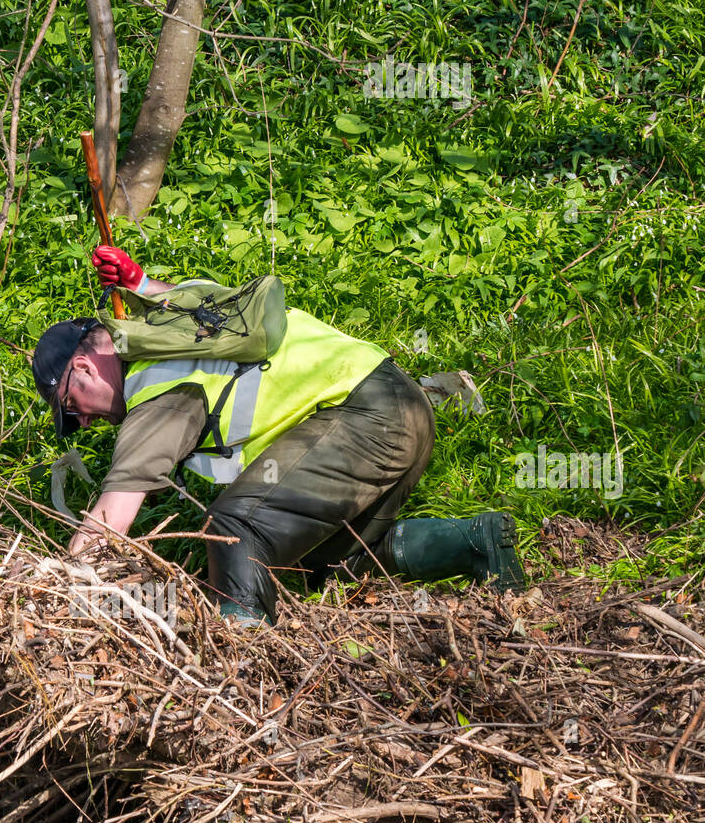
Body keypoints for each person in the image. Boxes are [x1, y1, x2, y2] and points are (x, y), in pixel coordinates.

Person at [31, 245, 525, 624]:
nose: (86, 424)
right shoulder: (174, 318)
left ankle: (241, 662)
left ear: (84, 368)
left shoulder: (152, 391)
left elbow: (108, 519)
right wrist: (138, 280)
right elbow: (196, 297)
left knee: (236, 526)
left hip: (363, 414)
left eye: (73, 409)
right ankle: (474, 542)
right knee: (324, 559)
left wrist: (55, 595)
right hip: (401, 401)